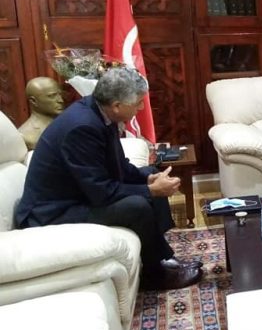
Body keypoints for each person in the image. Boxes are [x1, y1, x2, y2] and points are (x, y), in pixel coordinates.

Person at [15, 67, 203, 290]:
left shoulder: (100, 113)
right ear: (117, 105)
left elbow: (118, 166)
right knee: (137, 206)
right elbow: (101, 192)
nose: (141, 108)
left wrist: (148, 179)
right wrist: (151, 190)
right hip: (53, 211)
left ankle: (160, 257)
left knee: (149, 175)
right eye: (138, 103)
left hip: (78, 194)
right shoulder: (82, 127)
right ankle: (154, 276)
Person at [17, 77, 65, 149]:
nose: (61, 100)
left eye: (60, 94)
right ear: (33, 101)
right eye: (51, 96)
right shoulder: (26, 135)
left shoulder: (68, 121)